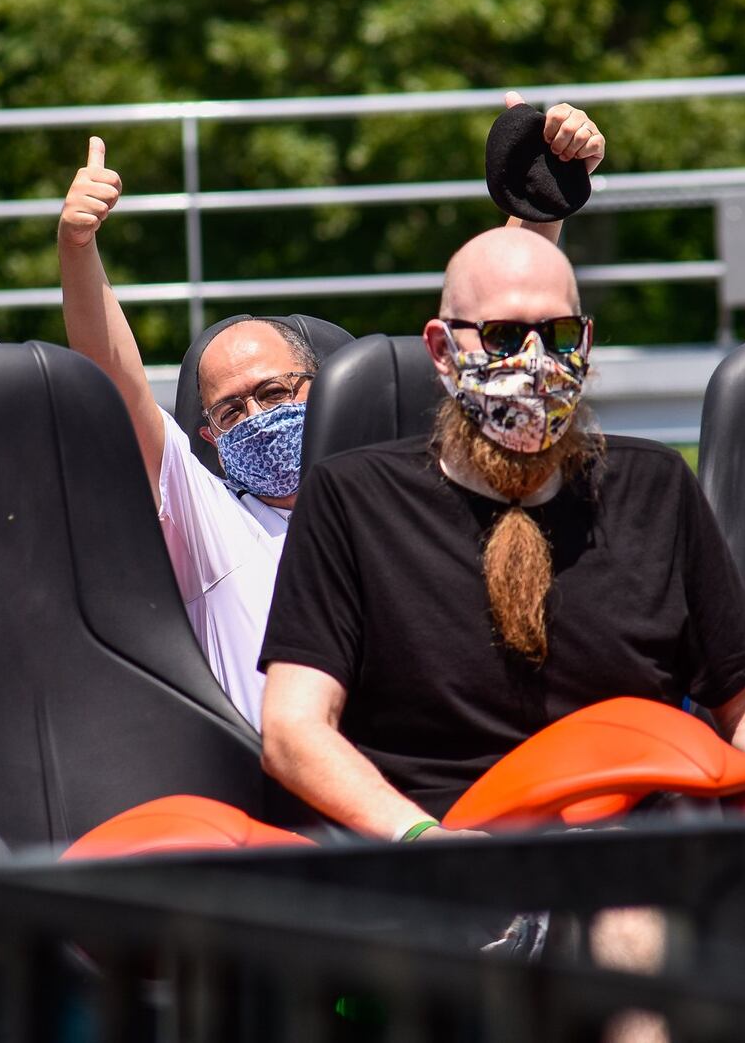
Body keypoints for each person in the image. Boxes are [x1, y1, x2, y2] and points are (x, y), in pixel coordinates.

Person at [258, 226, 745, 1016]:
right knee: (631, 904)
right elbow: (293, 731)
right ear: (442, 351)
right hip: (469, 846)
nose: (536, 362)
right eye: (506, 336)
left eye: (560, 335)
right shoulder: (351, 499)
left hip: (666, 826)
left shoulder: (655, 486)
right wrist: (421, 839)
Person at [56, 95, 606, 727]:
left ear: (324, 388)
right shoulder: (208, 523)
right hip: (279, 809)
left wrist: (537, 187)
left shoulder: (408, 491)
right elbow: (115, 379)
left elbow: (500, 337)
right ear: (206, 433)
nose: (258, 415)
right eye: (230, 410)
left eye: (276, 390)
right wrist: (77, 246)